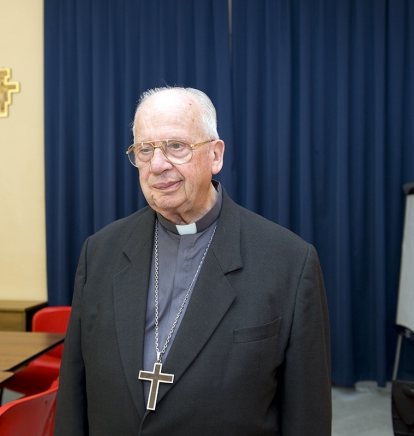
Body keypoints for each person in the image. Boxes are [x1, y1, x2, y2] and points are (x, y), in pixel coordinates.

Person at [54, 87, 331, 435]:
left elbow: (308, 416)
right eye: (145, 149)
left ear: (215, 156)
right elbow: (73, 391)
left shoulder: (289, 261)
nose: (158, 165)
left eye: (176, 146)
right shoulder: (100, 251)